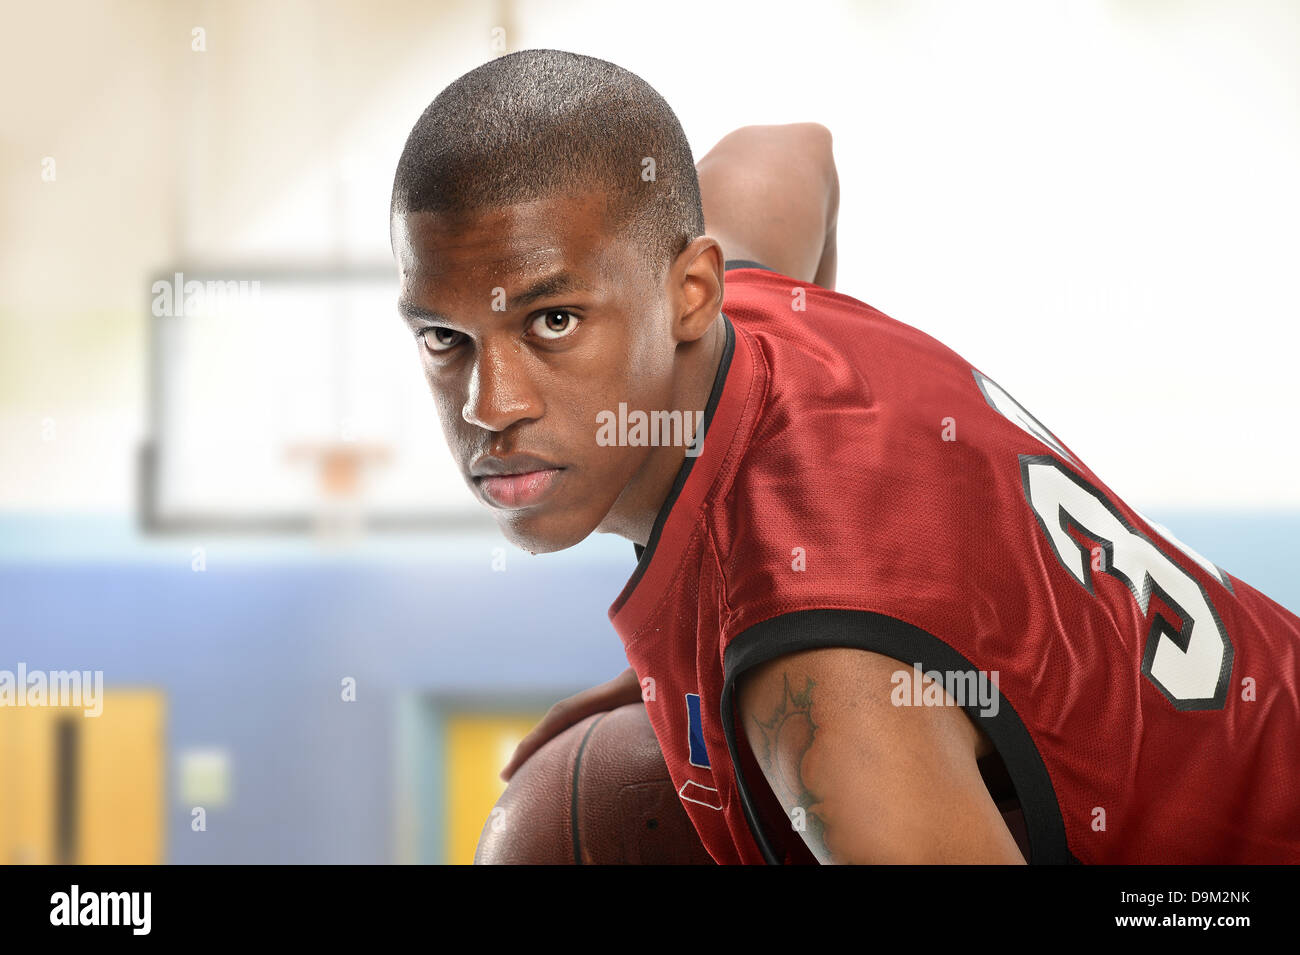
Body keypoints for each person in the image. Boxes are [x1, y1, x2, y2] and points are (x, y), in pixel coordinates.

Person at [390, 48, 1300, 864]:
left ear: (689, 294)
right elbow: (792, 147)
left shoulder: (831, 686)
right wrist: (696, 622)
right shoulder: (744, 283)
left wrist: (750, 597)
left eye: (553, 321)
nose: (492, 404)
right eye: (444, 337)